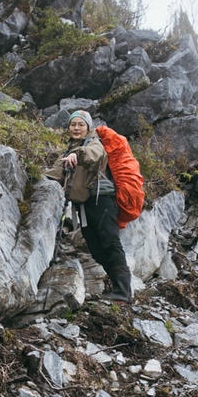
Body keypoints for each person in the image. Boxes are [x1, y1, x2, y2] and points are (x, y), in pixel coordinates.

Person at [49, 110, 133, 303]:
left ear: (88, 127)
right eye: (73, 124)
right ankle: (116, 287)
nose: (76, 128)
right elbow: (55, 172)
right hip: (84, 206)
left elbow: (93, 155)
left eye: (81, 125)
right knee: (95, 247)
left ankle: (123, 292)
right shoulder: (68, 150)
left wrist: (77, 154)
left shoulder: (93, 143)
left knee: (110, 241)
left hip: (102, 200)